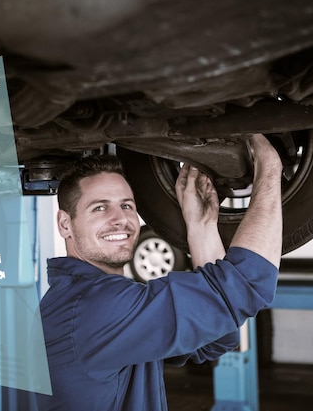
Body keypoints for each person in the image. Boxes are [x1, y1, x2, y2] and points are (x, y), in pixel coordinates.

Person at [36, 134, 282, 411]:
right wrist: (270, 168)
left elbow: (216, 338)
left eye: (127, 205)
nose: (121, 219)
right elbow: (249, 281)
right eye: (100, 207)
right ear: (65, 224)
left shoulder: (85, 303)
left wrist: (201, 227)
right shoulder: (93, 309)